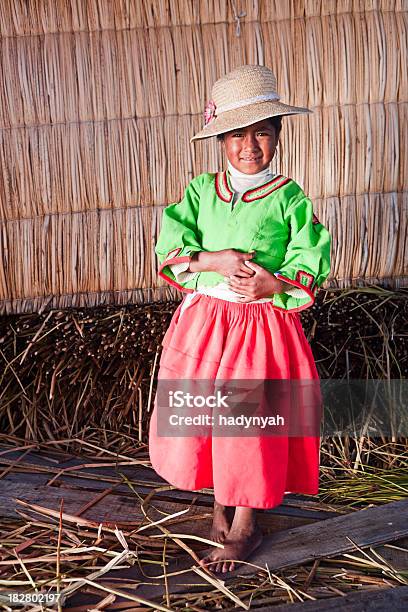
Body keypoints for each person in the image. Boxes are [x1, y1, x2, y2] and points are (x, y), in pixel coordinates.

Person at [148, 65, 331, 574]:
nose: (249, 146)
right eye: (236, 135)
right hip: (205, 322)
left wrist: (276, 283)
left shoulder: (289, 198)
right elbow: (172, 245)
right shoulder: (200, 192)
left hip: (260, 328)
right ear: (220, 139)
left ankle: (246, 519)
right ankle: (219, 502)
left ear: (277, 137)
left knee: (247, 422)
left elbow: (309, 253)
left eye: (262, 134)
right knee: (205, 412)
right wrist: (215, 260)